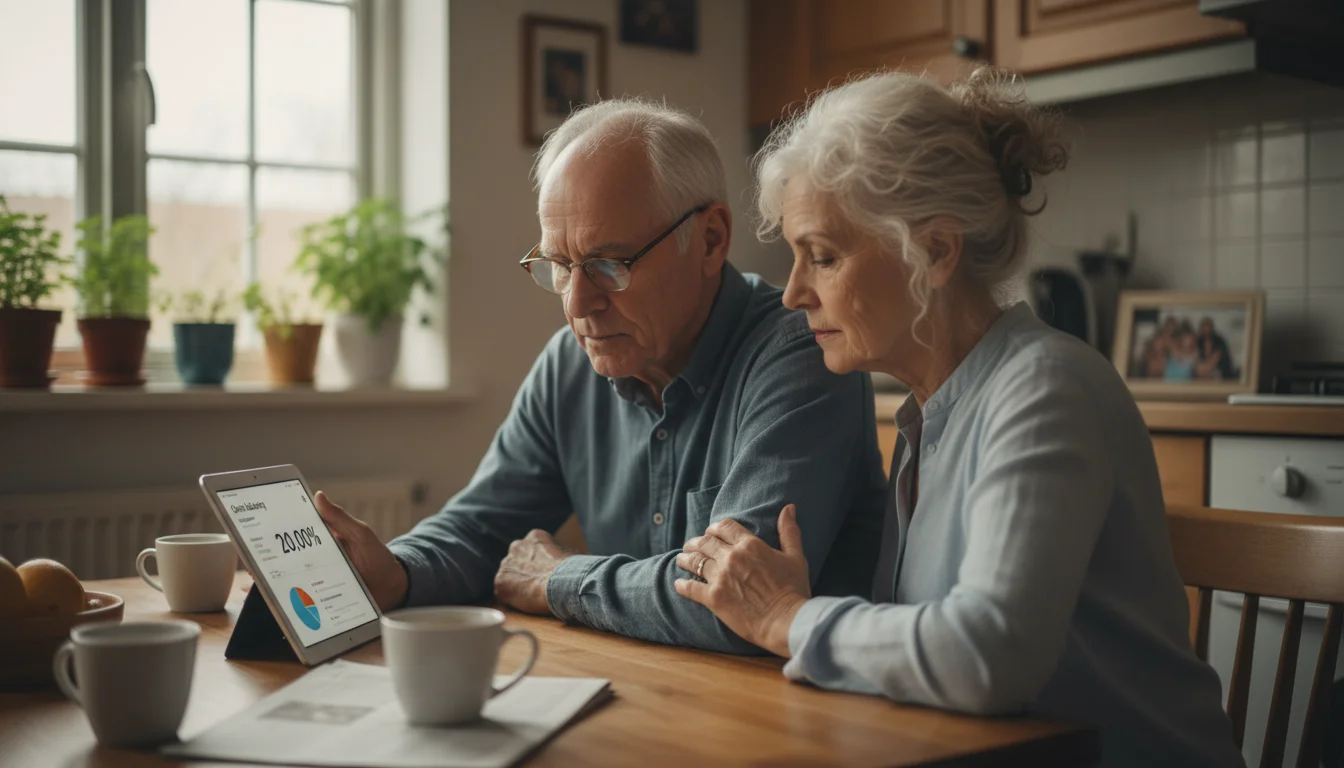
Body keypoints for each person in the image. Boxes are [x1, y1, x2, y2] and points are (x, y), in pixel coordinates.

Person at [672, 69, 1244, 766]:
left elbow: (987, 656)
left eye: (821, 257)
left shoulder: (1045, 391)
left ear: (936, 252)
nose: (793, 293)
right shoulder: (928, 415)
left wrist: (788, 618)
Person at [314, 99, 887, 653]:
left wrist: (560, 579)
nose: (578, 304)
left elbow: (737, 599)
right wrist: (395, 570)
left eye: (610, 264)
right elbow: (482, 527)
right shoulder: (570, 362)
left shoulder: (803, 352)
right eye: (560, 265)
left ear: (710, 239)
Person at [1197, 317, 1236, 381]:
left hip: (1218, 369)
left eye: (1208, 326)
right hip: (1202, 368)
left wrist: (1211, 364)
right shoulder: (1198, 340)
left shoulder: (1219, 341)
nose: (1206, 329)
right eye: (1204, 327)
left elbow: (1221, 356)